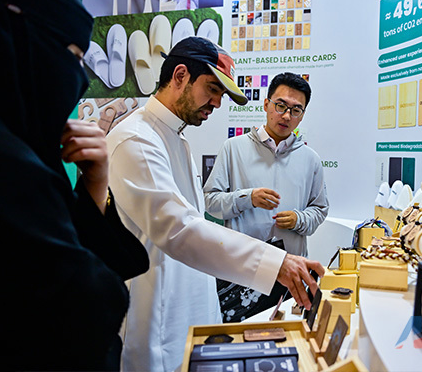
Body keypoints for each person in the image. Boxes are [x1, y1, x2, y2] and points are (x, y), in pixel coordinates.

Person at [106, 37, 324, 372]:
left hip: (191, 309)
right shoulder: (136, 139)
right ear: (180, 75)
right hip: (158, 319)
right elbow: (178, 229)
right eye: (212, 89)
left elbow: (193, 223)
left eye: (222, 94)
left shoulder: (174, 138)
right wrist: (274, 263)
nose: (218, 103)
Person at [0, 0, 149, 371]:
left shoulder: (22, 148)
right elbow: (82, 307)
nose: (79, 80)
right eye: (74, 58)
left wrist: (94, 186)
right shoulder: (9, 165)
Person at [203, 72, 329, 322]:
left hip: (290, 273)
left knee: (286, 336)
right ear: (266, 104)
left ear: (302, 115)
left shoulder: (310, 159)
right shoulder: (233, 148)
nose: (286, 116)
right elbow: (211, 202)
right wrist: (246, 198)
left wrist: (299, 219)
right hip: (241, 271)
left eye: (296, 110)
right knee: (239, 337)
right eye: (280, 105)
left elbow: (320, 209)